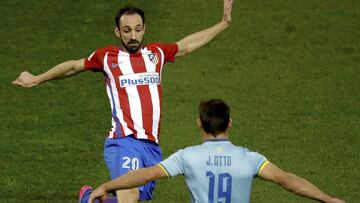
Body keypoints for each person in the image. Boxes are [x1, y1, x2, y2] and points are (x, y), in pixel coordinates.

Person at [12, 1, 234, 202]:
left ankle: (89, 198)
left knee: (135, 199)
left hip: (151, 146)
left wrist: (223, 24)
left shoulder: (156, 53)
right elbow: (72, 67)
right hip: (124, 140)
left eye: (138, 30)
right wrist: (37, 79)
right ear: (117, 32)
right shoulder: (107, 57)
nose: (133, 36)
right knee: (129, 197)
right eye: (127, 31)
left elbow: (186, 45)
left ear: (144, 29)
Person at [86, 99, 346, 203]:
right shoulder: (249, 159)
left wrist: (107, 186)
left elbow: (145, 175)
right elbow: (287, 180)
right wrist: (328, 199)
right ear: (230, 123)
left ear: (199, 123)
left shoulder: (187, 156)